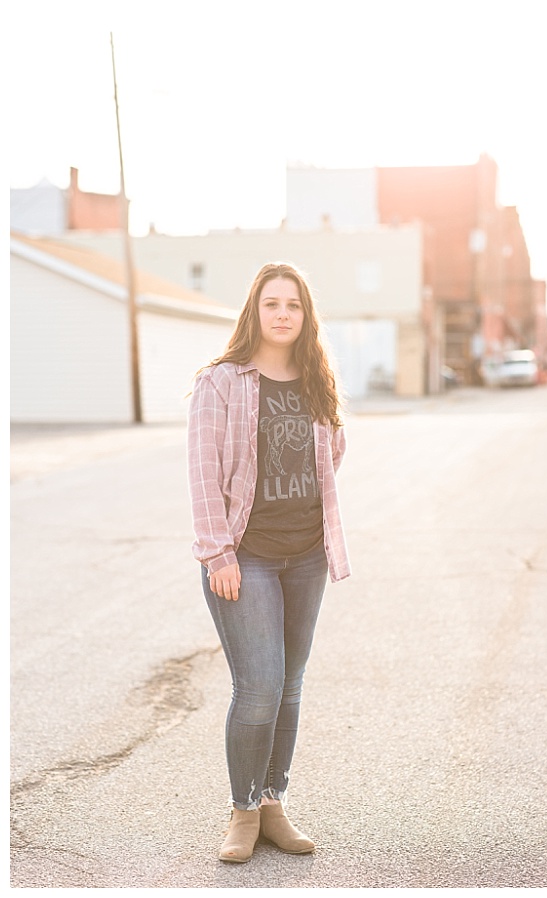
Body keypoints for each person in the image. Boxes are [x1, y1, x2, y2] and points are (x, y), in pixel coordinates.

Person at [187, 262, 351, 863]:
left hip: (306, 556)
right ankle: (243, 811)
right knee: (258, 687)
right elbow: (203, 473)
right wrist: (217, 551)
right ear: (254, 312)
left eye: (294, 305)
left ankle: (275, 803)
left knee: (289, 687)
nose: (283, 313)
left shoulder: (315, 380)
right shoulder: (221, 382)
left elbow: (332, 454)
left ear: (306, 317)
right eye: (272, 303)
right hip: (245, 557)